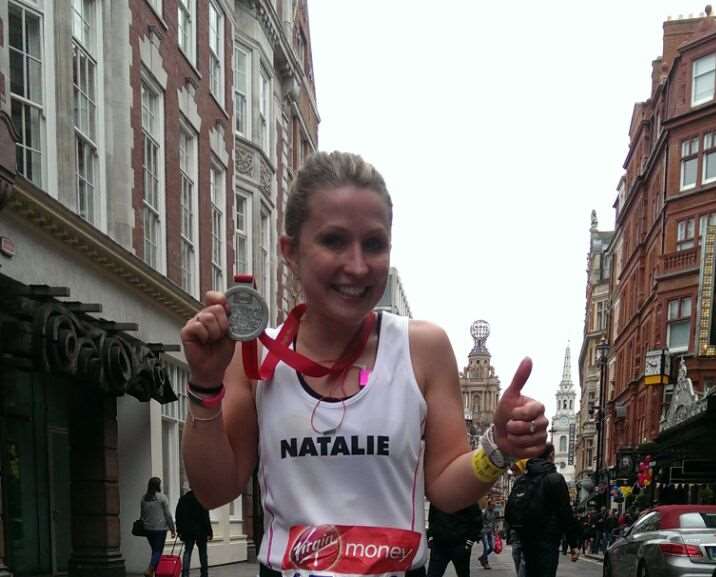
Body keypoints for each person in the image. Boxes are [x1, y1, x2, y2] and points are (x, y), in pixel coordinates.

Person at [180, 151, 549, 577]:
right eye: (334, 240)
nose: (356, 266)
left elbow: (447, 489)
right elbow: (213, 490)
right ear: (291, 251)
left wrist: (498, 446)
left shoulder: (422, 348)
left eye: (373, 244)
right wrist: (205, 385)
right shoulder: (257, 357)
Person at [505, 443, 580, 577]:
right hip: (548, 539)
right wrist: (573, 543)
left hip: (526, 538)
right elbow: (565, 513)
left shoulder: (522, 479)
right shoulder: (555, 479)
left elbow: (511, 508)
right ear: (551, 455)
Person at [426, 502, 482, 577]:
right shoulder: (438, 495)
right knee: (433, 574)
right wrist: (432, 535)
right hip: (439, 544)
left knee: (463, 573)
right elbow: (432, 517)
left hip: (460, 544)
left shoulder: (467, 495)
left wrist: (469, 542)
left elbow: (477, 520)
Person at [140, 477, 176, 577]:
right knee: (157, 551)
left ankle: (155, 572)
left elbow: (142, 514)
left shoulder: (144, 498)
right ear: (158, 486)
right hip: (160, 529)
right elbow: (168, 515)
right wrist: (172, 529)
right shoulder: (162, 498)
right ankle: (150, 569)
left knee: (155, 551)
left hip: (148, 529)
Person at [175, 488, 213, 577]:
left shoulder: (183, 499)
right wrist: (209, 531)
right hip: (201, 530)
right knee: (203, 553)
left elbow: (178, 516)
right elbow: (205, 517)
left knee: (187, 552)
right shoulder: (202, 499)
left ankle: (185, 574)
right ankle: (204, 574)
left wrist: (179, 530)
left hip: (188, 531)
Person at [478, 498, 498, 569]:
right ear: (489, 505)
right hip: (484, 532)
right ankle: (485, 563)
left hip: (490, 532)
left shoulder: (494, 512)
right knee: (486, 547)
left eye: (494, 505)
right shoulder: (484, 512)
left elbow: (494, 522)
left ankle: (482, 557)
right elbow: (480, 522)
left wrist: (495, 530)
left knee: (492, 548)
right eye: (493, 505)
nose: (494, 506)